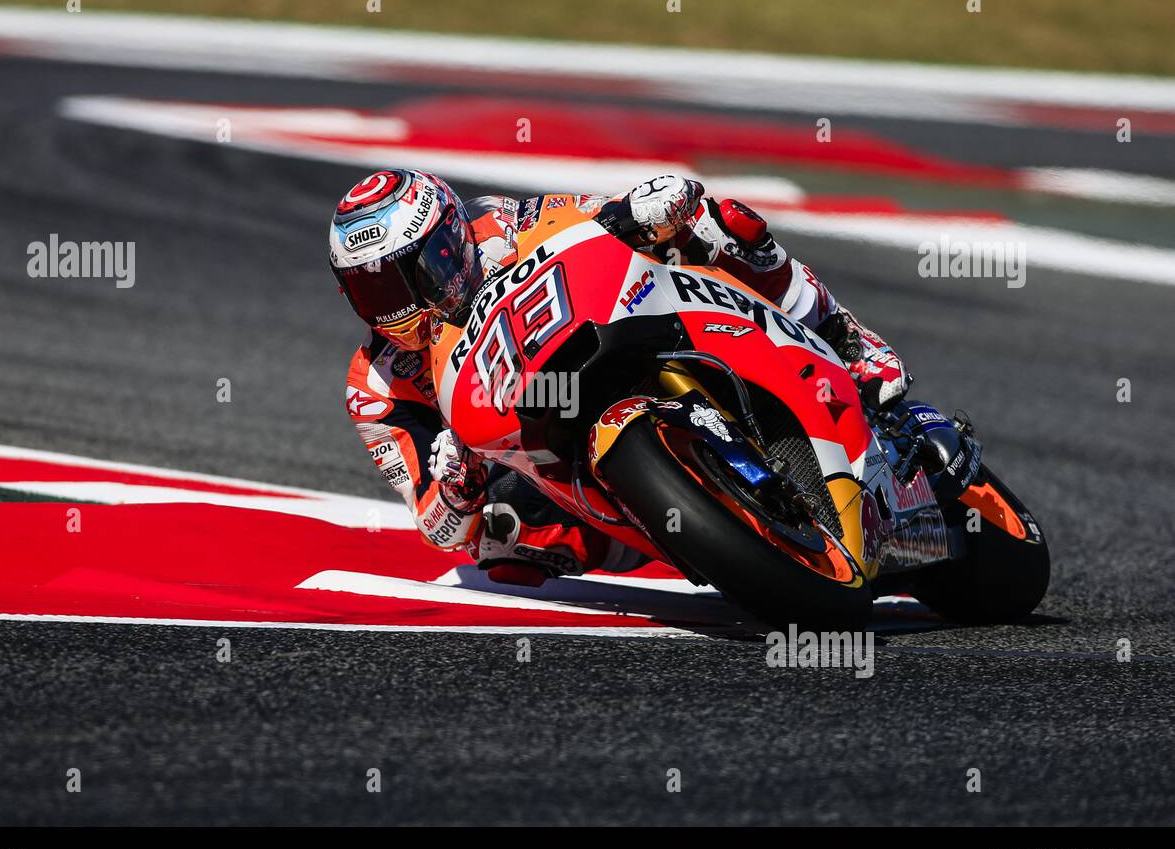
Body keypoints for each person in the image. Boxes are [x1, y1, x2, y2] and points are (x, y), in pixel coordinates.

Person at [330, 169, 909, 584]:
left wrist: (640, 208)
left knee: (717, 221)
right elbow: (437, 529)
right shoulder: (374, 385)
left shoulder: (503, 225)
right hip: (540, 454)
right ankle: (681, 529)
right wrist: (457, 484)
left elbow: (592, 218)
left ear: (450, 243)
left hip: (607, 331)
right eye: (371, 291)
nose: (394, 308)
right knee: (497, 537)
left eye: (408, 278)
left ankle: (846, 340)